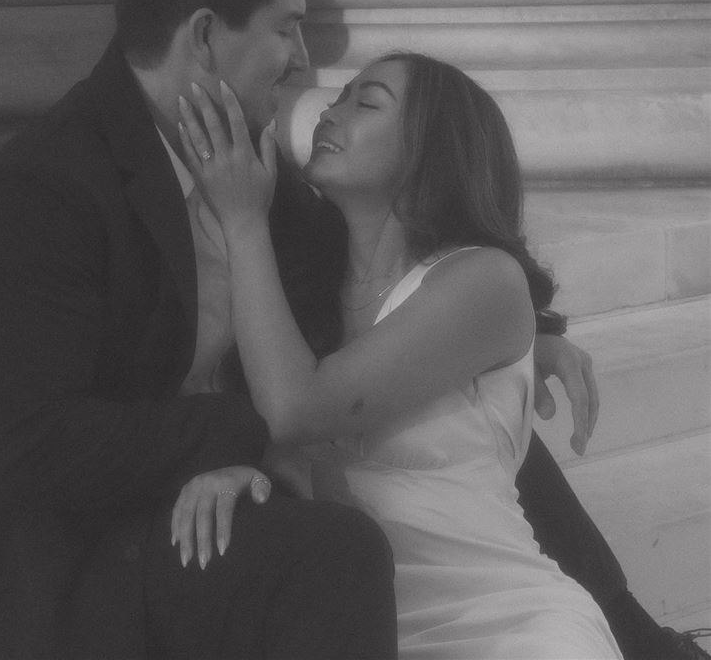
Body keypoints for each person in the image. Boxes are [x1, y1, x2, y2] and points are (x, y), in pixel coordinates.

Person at [0, 0, 698, 660]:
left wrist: (528, 337)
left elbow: (394, 265)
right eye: (286, 28)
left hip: (200, 503)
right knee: (336, 551)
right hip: (67, 556)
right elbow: (27, 449)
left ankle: (638, 642)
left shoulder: (252, 172)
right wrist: (244, 443)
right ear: (202, 36)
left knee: (478, 422)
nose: (302, 62)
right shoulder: (47, 187)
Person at [178, 48, 625, 656]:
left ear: (429, 147)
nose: (330, 114)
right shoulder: (297, 293)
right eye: (337, 98)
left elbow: (295, 409)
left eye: (366, 102)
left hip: (503, 620)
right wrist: (240, 466)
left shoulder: (485, 279)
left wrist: (244, 221)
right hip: (357, 624)